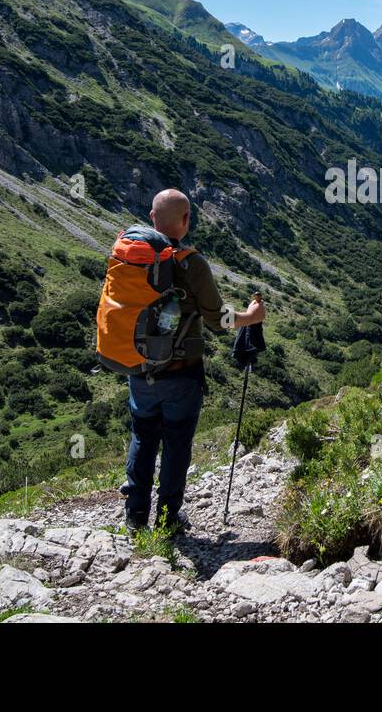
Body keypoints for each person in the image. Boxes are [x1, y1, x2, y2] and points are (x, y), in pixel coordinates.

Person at [121, 188, 265, 534]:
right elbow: (219, 320)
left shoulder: (128, 254)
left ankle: (135, 515)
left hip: (137, 367)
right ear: (186, 221)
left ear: (152, 217)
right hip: (181, 372)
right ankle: (168, 520)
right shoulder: (191, 263)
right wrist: (252, 315)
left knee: (142, 437)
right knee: (176, 444)